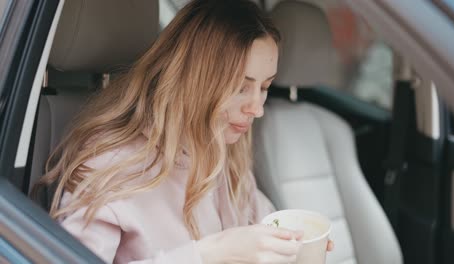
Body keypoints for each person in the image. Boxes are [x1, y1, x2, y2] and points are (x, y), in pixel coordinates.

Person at [33, 0, 333, 263]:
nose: (257, 108)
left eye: (264, 87)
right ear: (195, 80)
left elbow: (263, 230)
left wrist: (291, 249)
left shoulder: (225, 152)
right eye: (241, 87)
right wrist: (209, 255)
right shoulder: (113, 164)